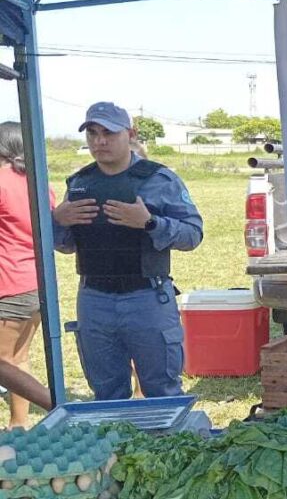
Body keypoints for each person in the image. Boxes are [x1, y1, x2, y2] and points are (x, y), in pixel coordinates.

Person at [53, 102, 203, 401]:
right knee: (107, 392)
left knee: (162, 391)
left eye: (109, 133)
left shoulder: (159, 179)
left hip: (146, 297)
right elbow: (66, 245)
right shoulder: (80, 183)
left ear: (130, 134)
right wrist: (58, 221)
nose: (100, 141)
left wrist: (150, 223)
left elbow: (193, 234)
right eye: (92, 133)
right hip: (94, 299)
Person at [0, 121, 49, 427]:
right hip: (35, 282)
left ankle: (56, 405)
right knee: (18, 359)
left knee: (3, 364)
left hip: (8, 282)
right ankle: (18, 426)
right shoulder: (38, 182)